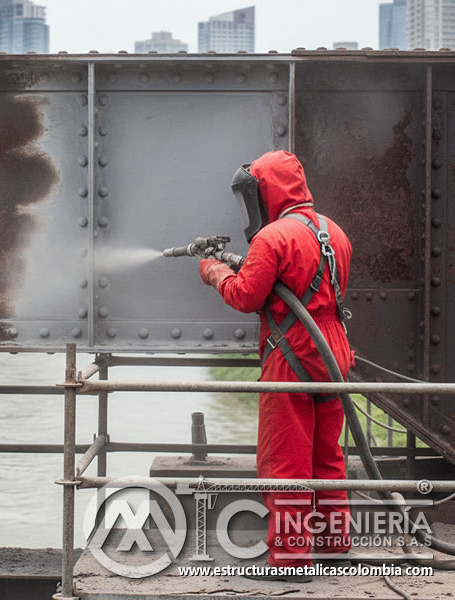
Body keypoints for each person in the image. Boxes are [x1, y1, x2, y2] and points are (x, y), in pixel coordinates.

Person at [198, 150, 352, 582]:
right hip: (333, 354)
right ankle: (334, 545)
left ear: (265, 191)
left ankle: (290, 560)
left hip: (292, 356)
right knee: (327, 455)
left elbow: (246, 297)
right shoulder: (333, 231)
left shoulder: (272, 239)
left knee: (285, 460)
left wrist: (213, 272)